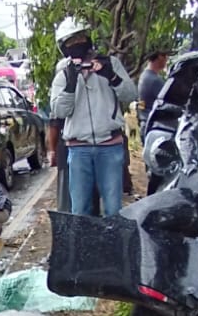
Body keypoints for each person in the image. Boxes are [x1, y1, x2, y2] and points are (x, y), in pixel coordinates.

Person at [46, 19, 137, 216]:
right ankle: (85, 246)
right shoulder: (63, 73)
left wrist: (112, 77)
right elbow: (58, 112)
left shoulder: (110, 63)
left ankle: (113, 244)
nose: (78, 43)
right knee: (80, 209)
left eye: (81, 38)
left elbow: (131, 95)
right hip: (79, 149)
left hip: (110, 146)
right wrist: (70, 84)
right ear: (63, 47)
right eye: (71, 41)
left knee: (113, 208)